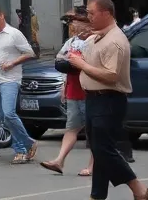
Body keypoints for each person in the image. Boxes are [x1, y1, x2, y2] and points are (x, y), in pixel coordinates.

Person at [69, 0, 148, 200]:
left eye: (92, 13)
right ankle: (98, 195)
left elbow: (111, 75)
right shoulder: (96, 37)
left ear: (106, 13)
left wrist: (81, 65)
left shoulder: (115, 40)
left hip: (108, 99)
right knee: (99, 149)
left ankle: (139, 189)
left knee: (103, 149)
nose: (88, 17)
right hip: (93, 98)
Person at [0, 6, 37, 163]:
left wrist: (12, 63)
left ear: (1, 16)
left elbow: (29, 53)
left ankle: (21, 148)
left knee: (9, 113)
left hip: (10, 80)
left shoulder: (14, 33)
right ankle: (28, 142)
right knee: (0, 117)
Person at [40, 14, 90, 175]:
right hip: (73, 89)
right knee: (72, 127)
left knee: (94, 131)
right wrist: (64, 84)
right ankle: (59, 160)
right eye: (72, 23)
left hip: (89, 90)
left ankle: (93, 166)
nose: (74, 26)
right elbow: (61, 59)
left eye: (77, 23)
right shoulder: (72, 41)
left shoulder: (94, 40)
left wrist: (78, 62)